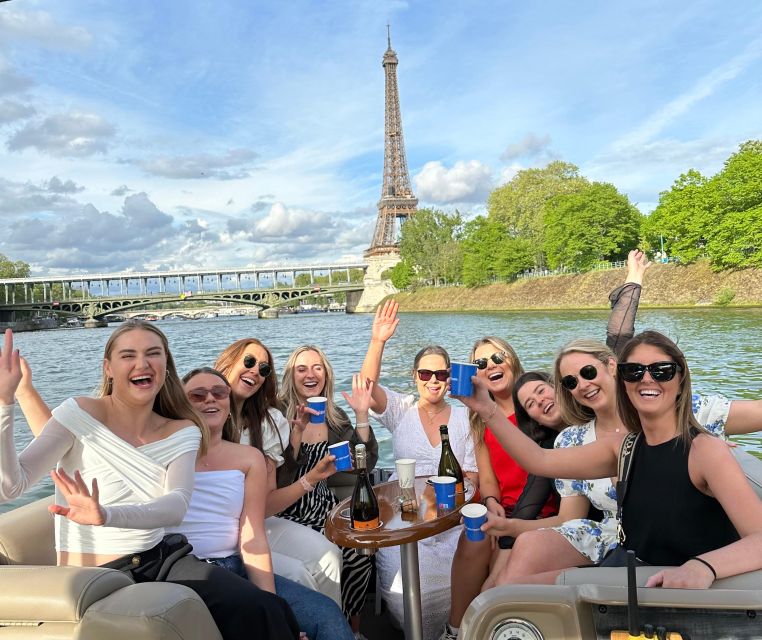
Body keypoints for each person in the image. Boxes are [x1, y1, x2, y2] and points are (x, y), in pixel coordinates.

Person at [1, 322, 299, 639]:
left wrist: (107, 515)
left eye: (153, 354)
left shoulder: (181, 430)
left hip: (160, 558)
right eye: (128, 355)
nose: (142, 364)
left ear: (165, 367)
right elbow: (10, 486)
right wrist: (6, 402)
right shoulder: (78, 414)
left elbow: (176, 506)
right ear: (109, 368)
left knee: (263, 608)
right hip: (96, 572)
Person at [458, 330, 762, 588]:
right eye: (635, 372)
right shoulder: (623, 448)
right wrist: (486, 410)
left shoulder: (705, 449)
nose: (647, 380)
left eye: (661, 371)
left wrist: (703, 567)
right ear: (623, 378)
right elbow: (538, 460)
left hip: (675, 584)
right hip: (631, 573)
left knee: (519, 593)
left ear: (680, 378)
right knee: (513, 592)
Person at [361, 308, 477, 640]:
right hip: (405, 518)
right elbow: (367, 390)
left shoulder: (465, 419)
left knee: (454, 579)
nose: (434, 381)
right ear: (415, 376)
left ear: (450, 376)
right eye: (426, 374)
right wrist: (377, 340)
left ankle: (451, 631)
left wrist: (444, 506)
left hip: (450, 517)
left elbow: (472, 478)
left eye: (441, 374)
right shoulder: (402, 411)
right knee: (405, 589)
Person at [215, 339, 343, 605]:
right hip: (218, 531)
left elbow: (267, 503)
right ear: (228, 362)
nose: (255, 372)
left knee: (330, 555)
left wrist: (311, 478)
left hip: (257, 522)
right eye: (249, 362)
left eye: (263, 369)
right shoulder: (204, 411)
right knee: (298, 574)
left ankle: (333, 628)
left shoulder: (268, 422)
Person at [278, 345, 378, 638]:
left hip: (325, 506)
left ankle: (352, 629)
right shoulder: (278, 417)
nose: (311, 375)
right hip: (288, 509)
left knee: (361, 552)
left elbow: (365, 463)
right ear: (291, 377)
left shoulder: (334, 418)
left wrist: (361, 415)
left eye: (317, 368)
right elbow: (277, 478)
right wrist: (295, 436)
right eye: (302, 369)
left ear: (327, 375)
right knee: (333, 555)